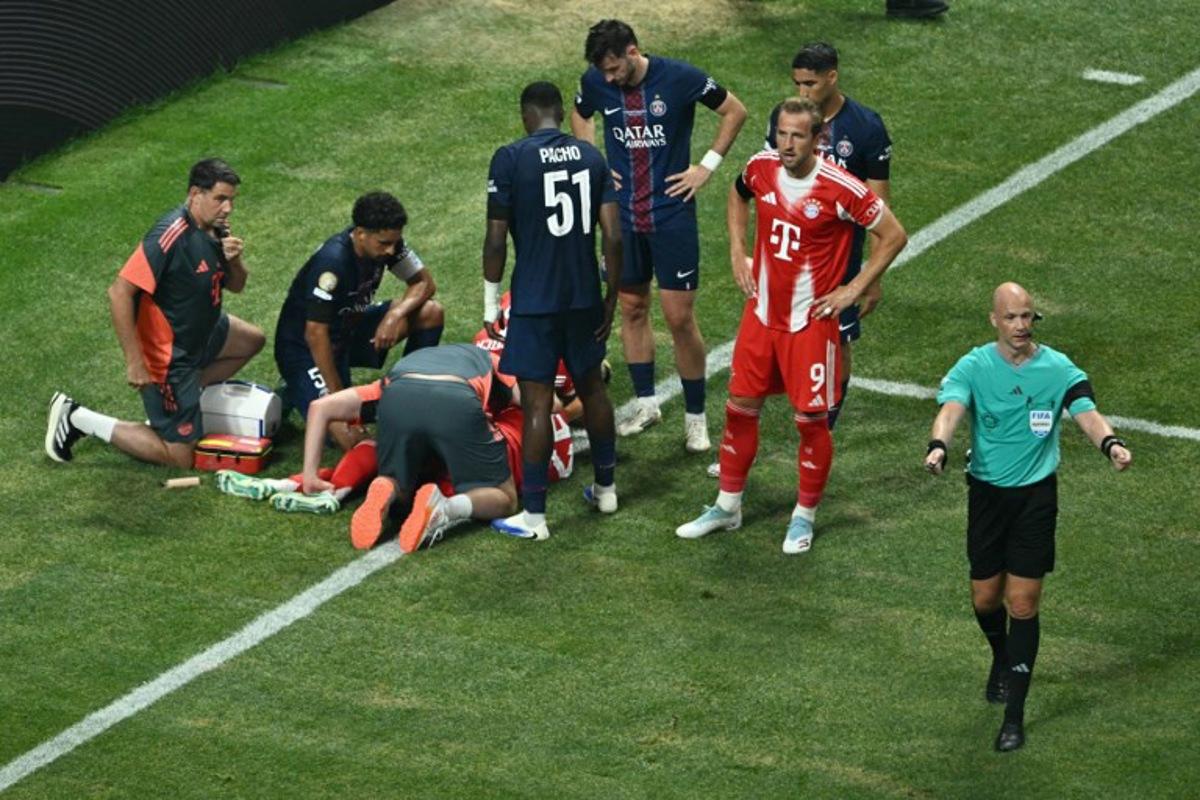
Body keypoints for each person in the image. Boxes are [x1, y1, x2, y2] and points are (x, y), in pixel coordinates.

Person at [676, 98, 907, 554]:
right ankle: (727, 506)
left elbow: (895, 235)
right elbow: (737, 193)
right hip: (761, 317)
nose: (787, 143)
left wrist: (855, 287)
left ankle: (803, 517)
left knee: (810, 423)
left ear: (818, 139)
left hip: (811, 325)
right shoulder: (761, 167)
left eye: (798, 135)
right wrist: (736, 251)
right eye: (781, 133)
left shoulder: (843, 188)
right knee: (739, 409)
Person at [924, 282, 1132, 753]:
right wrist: (939, 445)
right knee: (984, 599)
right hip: (988, 497)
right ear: (994, 320)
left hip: (1036, 498)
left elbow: (1086, 410)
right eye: (1012, 317)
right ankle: (1003, 658)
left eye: (1028, 317)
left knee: (1022, 604)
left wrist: (1110, 443)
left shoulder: (1057, 369)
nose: (1021, 326)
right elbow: (952, 408)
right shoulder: (974, 366)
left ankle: (1014, 717)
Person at [571, 19, 747, 452]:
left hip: (671, 214)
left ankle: (695, 417)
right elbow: (580, 111)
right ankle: (647, 404)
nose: (608, 78)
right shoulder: (596, 79)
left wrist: (705, 167)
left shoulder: (680, 77)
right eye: (604, 72)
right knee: (631, 306)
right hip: (622, 217)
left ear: (633, 51)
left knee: (678, 317)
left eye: (614, 69)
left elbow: (735, 111)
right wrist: (593, 159)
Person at [46, 158, 265, 467]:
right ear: (194, 194)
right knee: (180, 458)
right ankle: (79, 417)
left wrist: (235, 260)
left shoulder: (218, 228)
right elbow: (119, 293)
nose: (228, 208)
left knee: (252, 340)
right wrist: (135, 362)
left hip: (203, 333)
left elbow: (237, 285)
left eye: (231, 200)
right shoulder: (168, 236)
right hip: (168, 356)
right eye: (220, 199)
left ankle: (176, 404)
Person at [483, 80, 623, 541]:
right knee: (593, 390)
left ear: (526, 115)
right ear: (561, 114)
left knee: (538, 402)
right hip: (584, 296)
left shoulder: (511, 157)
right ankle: (606, 490)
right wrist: (610, 296)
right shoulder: (591, 156)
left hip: (536, 301)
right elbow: (613, 237)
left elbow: (496, 239)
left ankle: (536, 518)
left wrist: (489, 303)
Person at [765, 42, 893, 430]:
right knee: (775, 334)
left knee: (837, 338)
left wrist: (870, 279)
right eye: (798, 83)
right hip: (787, 252)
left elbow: (879, 210)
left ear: (832, 77)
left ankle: (826, 423)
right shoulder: (786, 119)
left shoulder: (866, 128)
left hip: (838, 257)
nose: (802, 93)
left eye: (811, 83)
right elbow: (767, 178)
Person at [298, 344, 522, 553]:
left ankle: (388, 485)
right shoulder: (495, 361)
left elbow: (319, 407)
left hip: (399, 395)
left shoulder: (402, 371)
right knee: (505, 497)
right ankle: (445, 507)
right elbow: (542, 402)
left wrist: (310, 475)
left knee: (404, 484)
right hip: (456, 399)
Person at [273, 191, 443, 451]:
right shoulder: (332, 263)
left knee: (430, 312)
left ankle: (411, 395)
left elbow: (424, 283)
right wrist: (339, 399)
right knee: (349, 438)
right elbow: (315, 334)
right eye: (383, 243)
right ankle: (298, 385)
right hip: (306, 349)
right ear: (360, 233)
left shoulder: (389, 244)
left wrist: (393, 316)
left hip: (348, 331)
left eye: (394, 243)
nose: (390, 250)